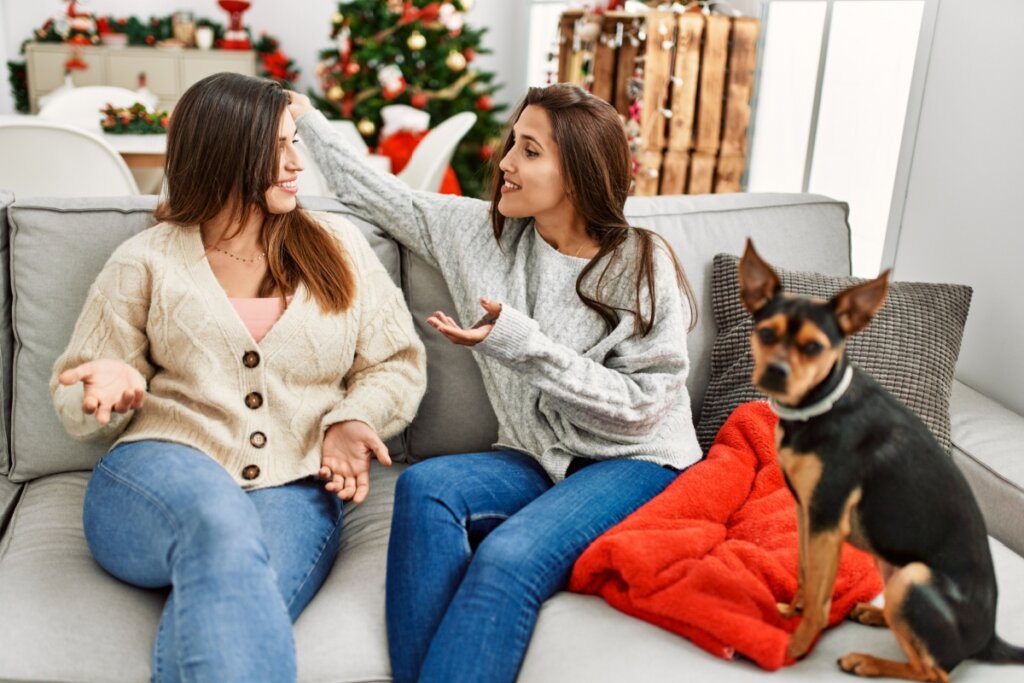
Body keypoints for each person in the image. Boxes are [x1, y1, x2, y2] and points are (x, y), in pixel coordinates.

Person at [289, 83, 702, 683]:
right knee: (425, 487)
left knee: (509, 557)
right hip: (535, 456)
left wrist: (523, 344)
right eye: (513, 142)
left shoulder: (640, 262)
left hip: (634, 460)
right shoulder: (479, 234)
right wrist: (309, 120)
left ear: (578, 173)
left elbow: (641, 409)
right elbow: (376, 195)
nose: (505, 162)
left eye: (529, 151)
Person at [51, 72, 426, 683]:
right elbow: (76, 396)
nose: (297, 162)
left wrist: (352, 417)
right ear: (225, 149)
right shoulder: (147, 258)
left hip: (294, 490)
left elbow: (396, 362)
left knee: (229, 614)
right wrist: (108, 384)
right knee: (218, 521)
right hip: (158, 470)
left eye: (296, 141)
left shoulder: (339, 247)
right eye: (278, 145)